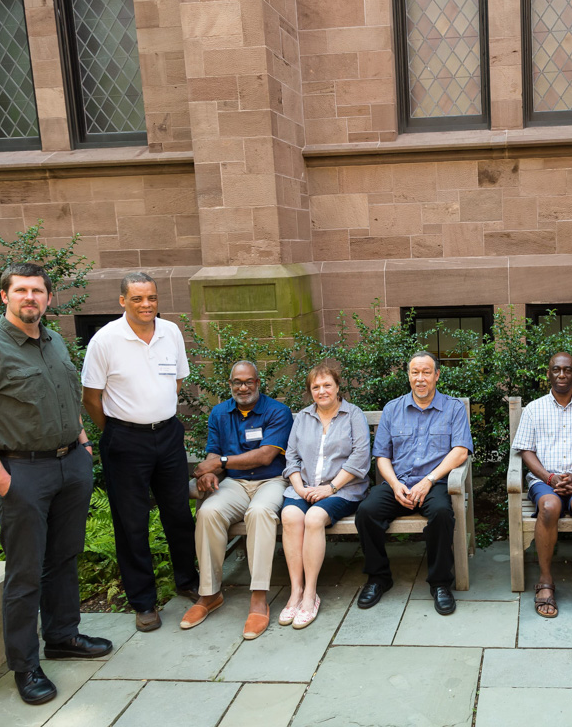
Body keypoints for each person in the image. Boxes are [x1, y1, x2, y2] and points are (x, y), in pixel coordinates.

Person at [0, 263, 111, 705]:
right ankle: (25, 666)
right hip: (22, 473)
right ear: (4, 296)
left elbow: (65, 392)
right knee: (24, 574)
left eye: (38, 291)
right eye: (21, 290)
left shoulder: (54, 340)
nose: (30, 298)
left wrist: (81, 441)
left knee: (63, 558)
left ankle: (63, 635)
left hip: (68, 466)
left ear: (48, 297)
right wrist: (2, 478)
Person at [81, 272, 199, 632]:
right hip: (124, 441)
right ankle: (143, 602)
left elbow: (177, 381)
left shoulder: (171, 333)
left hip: (167, 436)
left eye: (151, 298)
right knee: (132, 522)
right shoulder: (105, 341)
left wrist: (156, 418)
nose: (146, 305)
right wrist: (119, 431)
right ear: (122, 301)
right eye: (137, 299)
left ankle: (187, 580)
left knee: (178, 512)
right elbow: (91, 398)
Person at [354, 351, 472, 615]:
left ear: (437, 376)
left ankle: (440, 583)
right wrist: (395, 485)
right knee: (366, 512)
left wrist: (429, 481)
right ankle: (378, 577)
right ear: (408, 375)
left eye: (426, 372)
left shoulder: (453, 408)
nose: (420, 379)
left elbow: (461, 451)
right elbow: (382, 455)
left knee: (442, 513)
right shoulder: (393, 409)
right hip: (399, 483)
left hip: (435, 483)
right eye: (415, 372)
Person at [181, 360, 293, 639]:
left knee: (259, 512)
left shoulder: (277, 411)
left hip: (272, 480)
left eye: (248, 382)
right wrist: (209, 472)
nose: (243, 387)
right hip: (235, 483)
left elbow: (266, 455)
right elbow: (212, 452)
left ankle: (258, 597)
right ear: (230, 385)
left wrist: (219, 462)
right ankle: (209, 594)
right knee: (208, 511)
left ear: (258, 383)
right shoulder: (220, 413)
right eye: (237, 383)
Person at [511, 353, 572, 621]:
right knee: (550, 506)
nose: (562, 375)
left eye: (567, 370)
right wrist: (550, 479)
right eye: (556, 370)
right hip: (544, 479)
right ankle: (545, 580)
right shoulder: (534, 409)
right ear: (548, 374)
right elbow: (526, 451)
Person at [280, 362, 371, 629]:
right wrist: (299, 487)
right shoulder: (302, 418)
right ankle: (295, 591)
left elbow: (360, 459)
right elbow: (292, 457)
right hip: (304, 487)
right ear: (310, 391)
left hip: (343, 489)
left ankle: (310, 594)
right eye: (316, 387)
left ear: (338, 387)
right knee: (290, 515)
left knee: (315, 518)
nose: (322, 391)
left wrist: (329, 489)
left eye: (327, 385)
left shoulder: (353, 415)